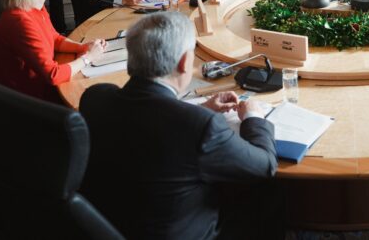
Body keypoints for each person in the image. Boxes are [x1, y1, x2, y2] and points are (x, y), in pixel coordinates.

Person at [79, 12, 278, 239]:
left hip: (108, 227)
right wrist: (253, 117)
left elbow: (150, 121)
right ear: (184, 62)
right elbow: (265, 166)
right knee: (271, 192)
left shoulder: (95, 97)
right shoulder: (202, 126)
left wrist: (202, 108)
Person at [0, 0, 106, 103]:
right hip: (27, 103)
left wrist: (83, 47)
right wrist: (88, 57)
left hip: (41, 91)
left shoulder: (36, 8)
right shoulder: (19, 20)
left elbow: (54, 38)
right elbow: (53, 75)